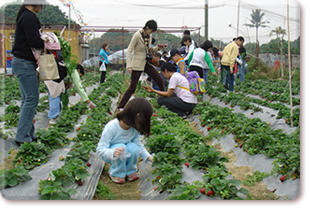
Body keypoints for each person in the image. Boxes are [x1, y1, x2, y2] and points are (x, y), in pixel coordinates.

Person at [11, 0, 46, 146]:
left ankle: (28, 134)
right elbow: (34, 41)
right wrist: (49, 42)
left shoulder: (24, 15)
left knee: (28, 99)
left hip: (21, 62)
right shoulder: (29, 17)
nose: (41, 7)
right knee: (31, 99)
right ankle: (22, 136)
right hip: (25, 63)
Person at [96, 97, 154, 184]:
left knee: (134, 148)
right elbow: (100, 149)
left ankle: (130, 170)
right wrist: (112, 153)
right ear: (137, 117)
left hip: (124, 152)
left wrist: (148, 157)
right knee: (122, 148)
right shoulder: (111, 127)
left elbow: (139, 145)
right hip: (110, 153)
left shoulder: (133, 128)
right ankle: (116, 172)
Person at [117, 20, 166, 110]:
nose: (152, 32)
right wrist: (129, 65)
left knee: (159, 80)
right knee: (133, 87)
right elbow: (129, 50)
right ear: (147, 27)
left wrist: (157, 48)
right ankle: (120, 106)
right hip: (137, 63)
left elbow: (148, 49)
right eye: (151, 30)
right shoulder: (137, 35)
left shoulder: (149, 36)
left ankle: (164, 102)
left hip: (146, 62)